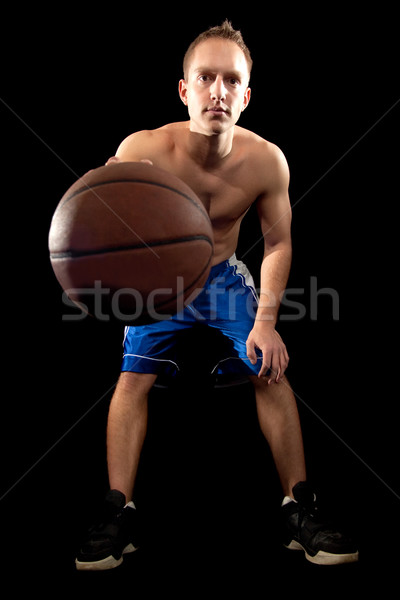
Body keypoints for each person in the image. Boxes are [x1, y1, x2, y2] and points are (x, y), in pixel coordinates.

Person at [75, 20, 358, 570]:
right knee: (132, 377)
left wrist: (266, 323)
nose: (218, 92)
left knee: (268, 366)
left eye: (232, 81)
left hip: (224, 274)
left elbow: (277, 244)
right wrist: (103, 196)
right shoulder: (143, 148)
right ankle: (118, 511)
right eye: (206, 78)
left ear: (247, 95)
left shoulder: (265, 160)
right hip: (161, 279)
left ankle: (300, 509)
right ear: (185, 89)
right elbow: (106, 231)